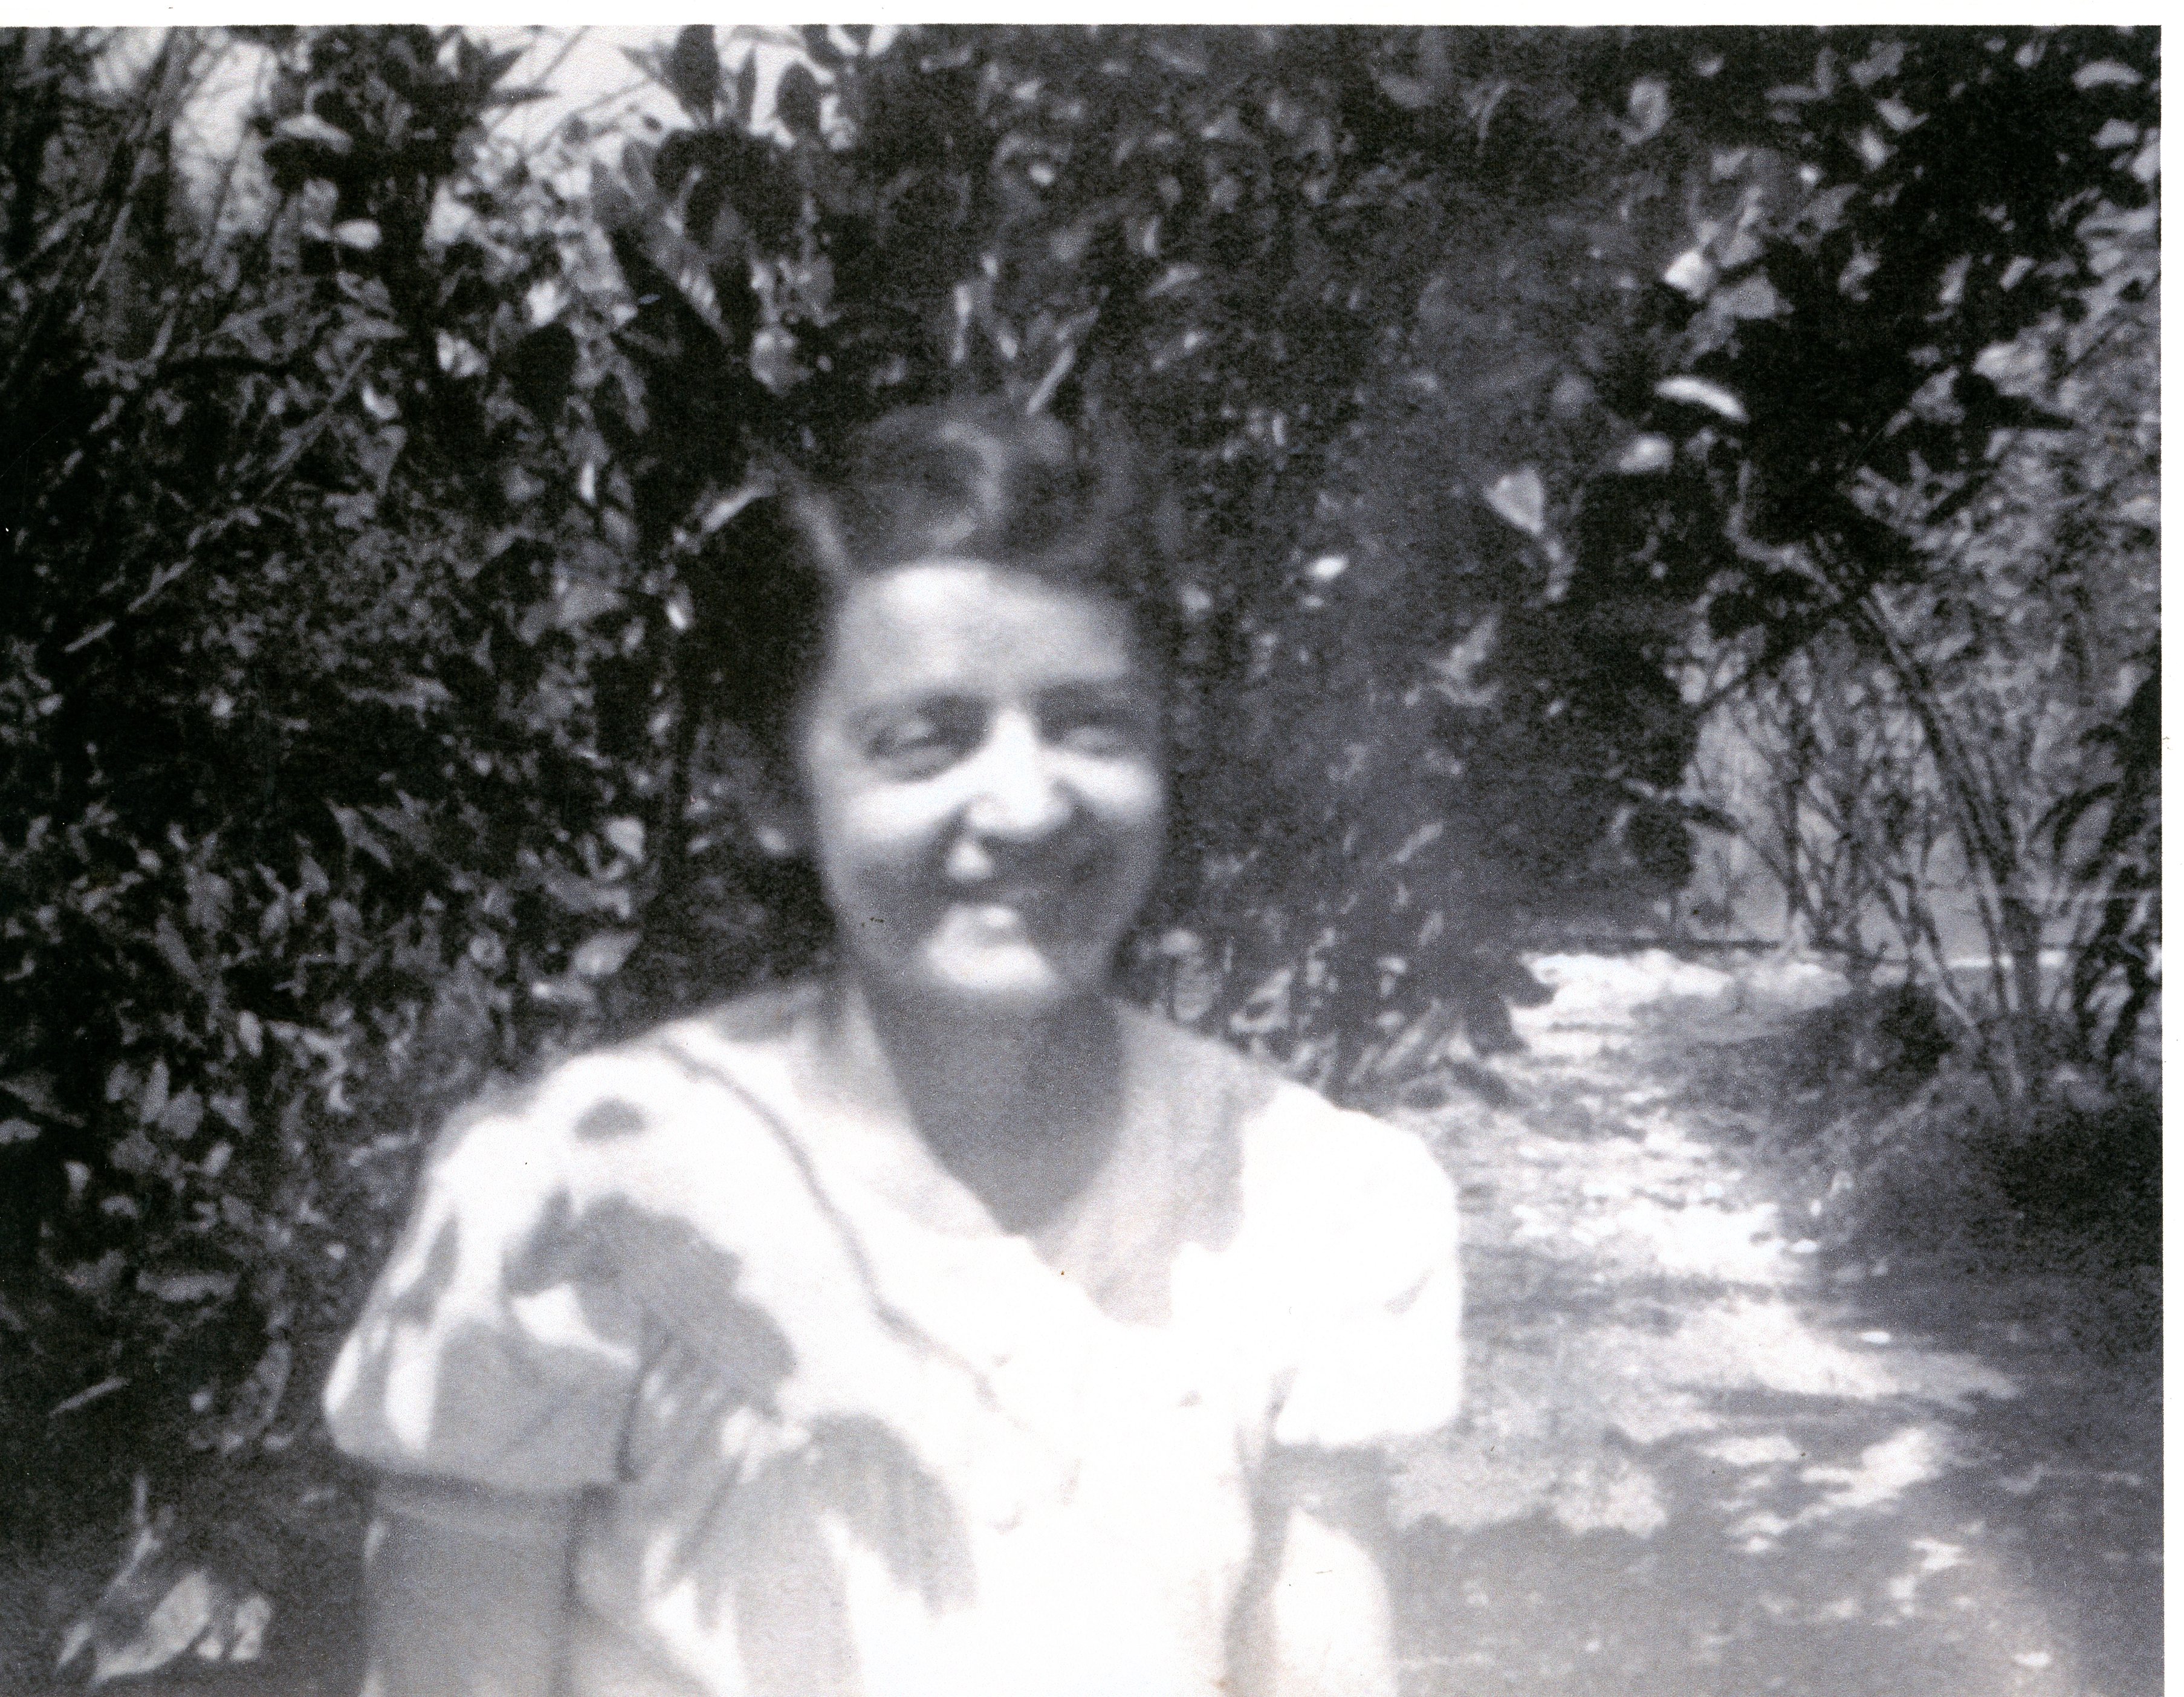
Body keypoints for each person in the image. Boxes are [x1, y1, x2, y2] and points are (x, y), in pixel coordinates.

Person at [322, 402, 1462, 1697]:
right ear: (771, 791)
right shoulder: (577, 1200)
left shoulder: (1304, 1200)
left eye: (1092, 724)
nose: (1026, 805)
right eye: (926, 741)